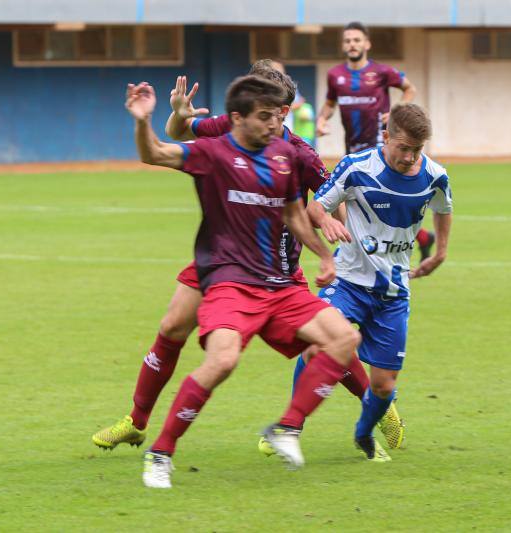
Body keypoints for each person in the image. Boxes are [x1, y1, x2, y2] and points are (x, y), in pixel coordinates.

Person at [92, 61, 402, 455]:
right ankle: (136, 422)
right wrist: (176, 114)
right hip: (221, 259)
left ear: (282, 110)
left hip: (277, 268)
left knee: (321, 344)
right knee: (171, 327)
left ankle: (377, 405)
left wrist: (336, 232)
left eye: (272, 106)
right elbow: (176, 136)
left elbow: (331, 199)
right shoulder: (231, 127)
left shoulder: (299, 154)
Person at [123, 75, 361, 488]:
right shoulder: (212, 153)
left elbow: (292, 215)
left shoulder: (285, 156)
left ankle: (286, 428)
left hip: (281, 285)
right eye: (265, 117)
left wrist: (324, 256)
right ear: (237, 118)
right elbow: (156, 152)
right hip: (231, 282)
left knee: (343, 339)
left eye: (277, 116)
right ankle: (160, 452)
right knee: (223, 360)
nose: (274, 124)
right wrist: (143, 120)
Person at [300, 103, 453, 461]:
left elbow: (444, 208)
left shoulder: (434, 175)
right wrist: (327, 223)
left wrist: (441, 251)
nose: (409, 157)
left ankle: (363, 433)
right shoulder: (356, 168)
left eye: (417, 150)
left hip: (394, 292)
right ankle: (291, 426)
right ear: (386, 137)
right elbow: (315, 208)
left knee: (384, 386)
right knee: (315, 342)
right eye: (403, 148)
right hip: (349, 281)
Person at [316, 21, 434, 261]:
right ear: (343, 45)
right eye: (348, 40)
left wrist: (397, 110)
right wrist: (321, 120)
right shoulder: (335, 75)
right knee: (355, 200)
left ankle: (353, 248)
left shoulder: (382, 72)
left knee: (369, 202)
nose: (352, 44)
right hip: (353, 148)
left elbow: (409, 88)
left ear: (367, 44)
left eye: (357, 40)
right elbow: (330, 103)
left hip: (381, 148)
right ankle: (420, 238)